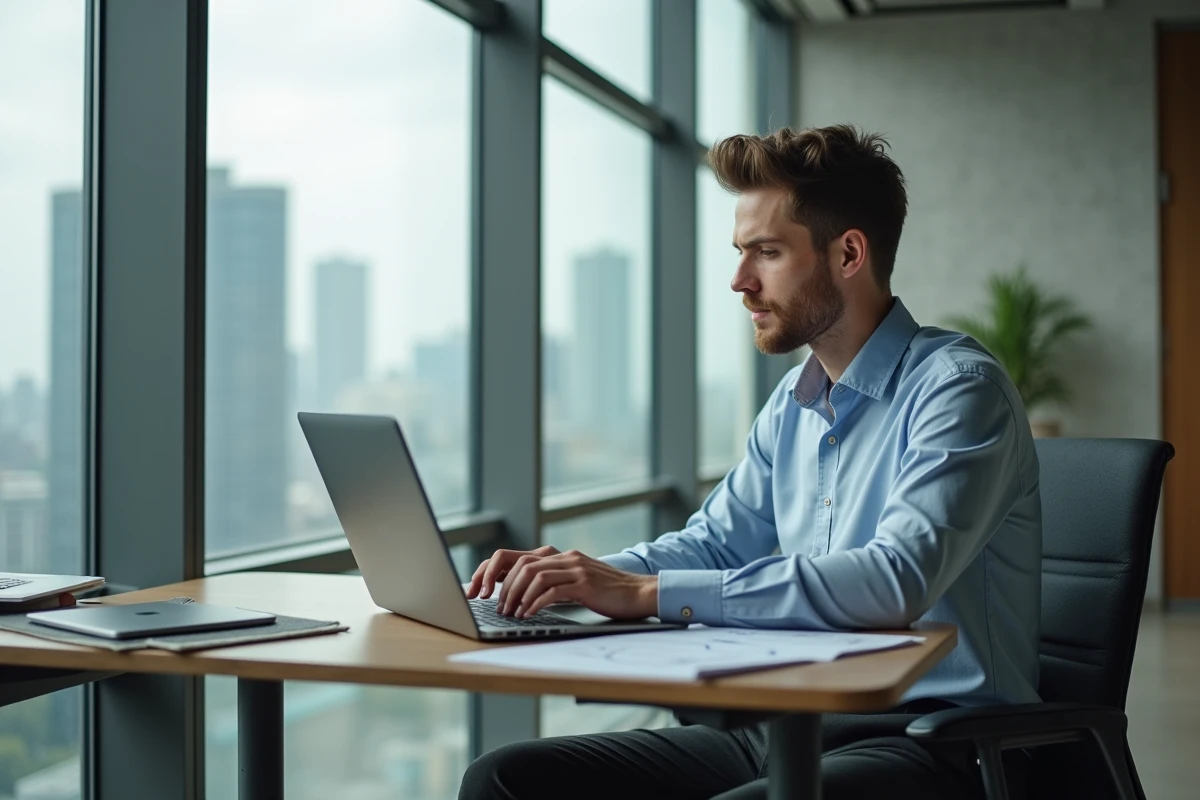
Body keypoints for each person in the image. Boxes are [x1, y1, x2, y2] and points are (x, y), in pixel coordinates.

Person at [459, 124, 1041, 800]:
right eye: (740, 253)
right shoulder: (791, 404)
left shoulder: (958, 390)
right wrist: (577, 578)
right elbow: (713, 543)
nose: (739, 281)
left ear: (848, 253)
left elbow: (894, 581)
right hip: (786, 725)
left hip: (937, 743)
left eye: (766, 252)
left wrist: (646, 595)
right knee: (505, 781)